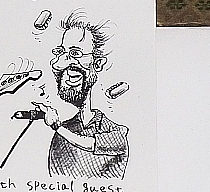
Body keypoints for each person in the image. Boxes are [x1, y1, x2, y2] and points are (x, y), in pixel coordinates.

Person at [21, 14, 129, 179]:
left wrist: (56, 126)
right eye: (61, 52)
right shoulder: (63, 134)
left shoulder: (115, 131)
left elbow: (90, 144)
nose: (62, 61)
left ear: (98, 63)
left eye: (76, 53)